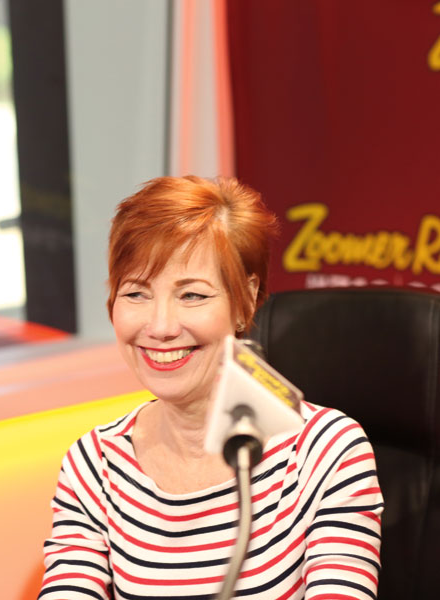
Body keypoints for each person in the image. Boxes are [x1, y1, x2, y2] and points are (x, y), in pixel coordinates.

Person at [38, 176, 383, 599]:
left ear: (246, 299)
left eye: (192, 296)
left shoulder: (325, 450)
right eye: (136, 293)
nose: (161, 327)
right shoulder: (94, 465)